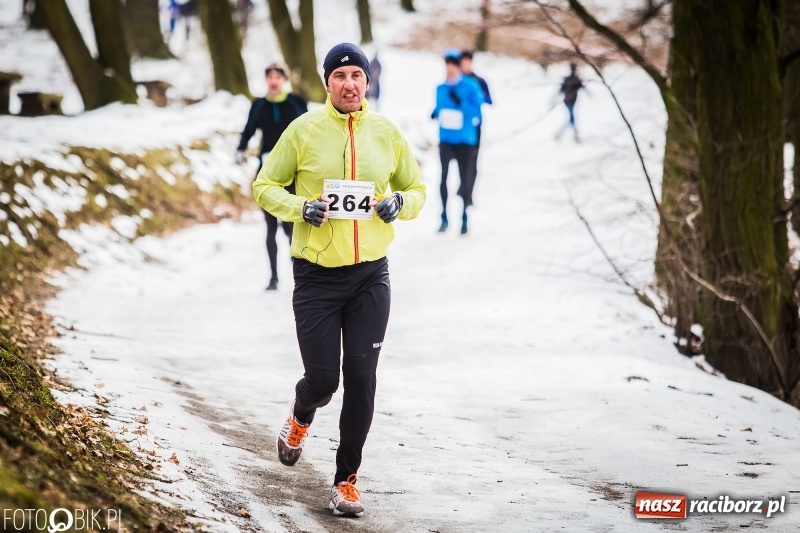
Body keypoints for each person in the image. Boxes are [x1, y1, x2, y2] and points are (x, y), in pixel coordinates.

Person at [252, 42, 426, 518]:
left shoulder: (386, 132)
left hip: (371, 274)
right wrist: (299, 209)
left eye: (357, 75)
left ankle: (346, 480)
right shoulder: (303, 130)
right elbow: (264, 185)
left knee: (363, 379)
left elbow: (416, 188)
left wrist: (400, 205)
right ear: (327, 83)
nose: (349, 84)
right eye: (340, 75)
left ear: (367, 82)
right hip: (316, 277)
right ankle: (301, 414)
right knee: (324, 381)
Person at [237, 63, 307, 290]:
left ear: (284, 79)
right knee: (269, 225)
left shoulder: (296, 103)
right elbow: (249, 129)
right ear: (266, 80)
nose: (274, 80)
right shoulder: (258, 105)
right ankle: (273, 277)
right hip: (266, 172)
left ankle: (298, 269)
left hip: (292, 173)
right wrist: (241, 148)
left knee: (290, 224)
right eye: (270, 77)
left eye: (278, 76)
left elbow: (309, 130)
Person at [431, 49, 483, 235]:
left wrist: (461, 103)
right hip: (446, 140)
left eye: (453, 68)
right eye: (447, 68)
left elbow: (477, 112)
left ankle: (464, 219)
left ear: (459, 68)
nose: (450, 71)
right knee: (443, 178)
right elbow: (439, 107)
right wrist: (435, 113)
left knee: (464, 179)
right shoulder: (440, 88)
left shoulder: (470, 86)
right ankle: (444, 217)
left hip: (465, 141)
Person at [459, 50, 492, 205]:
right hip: (456, 129)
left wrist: (477, 97)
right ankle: (462, 185)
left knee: (472, 161)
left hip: (474, 127)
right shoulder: (454, 80)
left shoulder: (478, 80)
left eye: (467, 61)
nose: (465, 64)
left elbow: (489, 99)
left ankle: (468, 192)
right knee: (459, 161)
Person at [556, 62, 585, 142]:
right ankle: (574, 137)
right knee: (572, 119)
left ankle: (561, 135)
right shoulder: (573, 79)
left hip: (570, 101)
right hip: (568, 102)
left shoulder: (574, 79)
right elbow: (561, 90)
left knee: (571, 119)